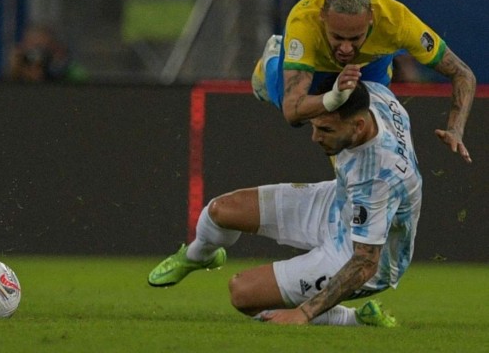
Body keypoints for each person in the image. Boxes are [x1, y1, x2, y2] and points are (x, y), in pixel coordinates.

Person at [148, 67, 425, 327]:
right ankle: (198, 256)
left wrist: (303, 313)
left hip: (357, 254)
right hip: (337, 203)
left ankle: (354, 319)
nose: (315, 137)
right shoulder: (377, 96)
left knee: (242, 293)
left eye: (326, 130)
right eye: (314, 125)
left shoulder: (376, 178)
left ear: (360, 126)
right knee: (220, 211)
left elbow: (365, 263)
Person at [251, 0, 475, 164]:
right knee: (295, 113)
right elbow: (292, 112)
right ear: (322, 17)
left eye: (355, 37)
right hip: (315, 63)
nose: (347, 49)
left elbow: (463, 73)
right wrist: (333, 97)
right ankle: (272, 59)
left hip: (370, 65)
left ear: (371, 19)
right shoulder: (303, 22)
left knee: (364, 124)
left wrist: (456, 129)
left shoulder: (398, 21)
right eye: (337, 37)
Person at [9, 24, 88, 83]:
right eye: (31, 49)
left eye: (40, 47)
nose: (36, 56)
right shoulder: (19, 70)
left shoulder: (74, 74)